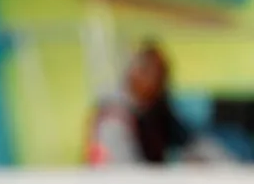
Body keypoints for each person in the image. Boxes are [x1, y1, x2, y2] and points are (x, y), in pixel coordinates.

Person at [86, 42, 234, 165]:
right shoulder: (114, 118)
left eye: (163, 77)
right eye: (155, 75)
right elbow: (122, 177)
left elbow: (188, 142)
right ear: (135, 74)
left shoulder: (157, 108)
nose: (161, 85)